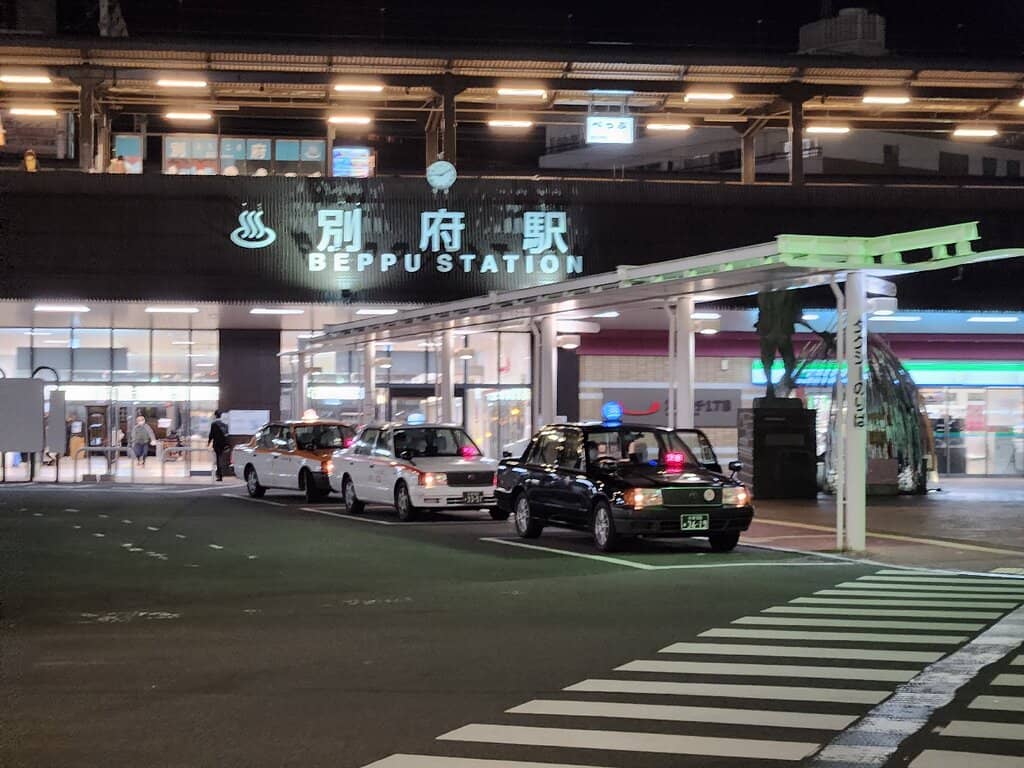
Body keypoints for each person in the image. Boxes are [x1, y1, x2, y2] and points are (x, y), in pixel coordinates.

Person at [207, 410, 231, 481]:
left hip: (217, 445)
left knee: (218, 460)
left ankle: (219, 475)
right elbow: (227, 435)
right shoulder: (224, 424)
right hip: (223, 445)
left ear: (215, 415)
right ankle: (221, 473)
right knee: (221, 459)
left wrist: (209, 442)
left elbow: (211, 434)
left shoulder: (214, 424)